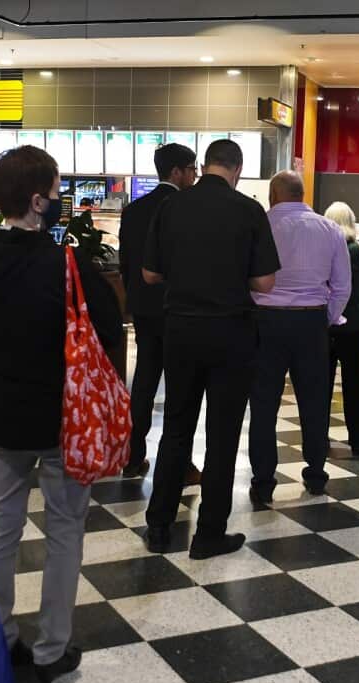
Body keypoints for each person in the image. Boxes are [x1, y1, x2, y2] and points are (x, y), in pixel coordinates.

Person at [0, 146, 122, 683]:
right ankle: (53, 648)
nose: (59, 203)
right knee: (64, 530)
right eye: (55, 194)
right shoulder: (63, 263)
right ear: (36, 201)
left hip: (2, 415)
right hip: (63, 419)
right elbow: (108, 326)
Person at [142, 138, 279, 559]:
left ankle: (160, 526)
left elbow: (149, 274)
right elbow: (265, 283)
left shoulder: (172, 206)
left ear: (202, 166)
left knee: (177, 428)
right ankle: (208, 535)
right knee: (222, 437)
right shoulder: (249, 211)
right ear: (236, 169)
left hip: (180, 330)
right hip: (231, 334)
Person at [248, 171, 351, 507]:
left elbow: (244, 277)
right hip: (311, 322)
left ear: (273, 195)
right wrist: (326, 317)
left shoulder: (259, 226)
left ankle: (263, 481)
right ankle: (316, 474)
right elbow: (342, 286)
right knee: (314, 401)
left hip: (265, 322)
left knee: (263, 405)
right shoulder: (330, 229)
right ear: (302, 193)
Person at [117, 143, 200, 482]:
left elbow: (125, 264)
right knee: (182, 389)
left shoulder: (134, 210)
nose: (195, 176)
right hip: (180, 311)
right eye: (192, 169)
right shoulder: (187, 207)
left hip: (145, 310)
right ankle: (179, 465)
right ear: (177, 171)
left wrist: (136, 299)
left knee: (145, 384)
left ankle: (133, 457)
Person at [324, 202, 359, 457]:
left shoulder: (321, 248)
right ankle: (357, 440)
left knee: (321, 385)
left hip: (325, 325)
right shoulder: (358, 249)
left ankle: (318, 437)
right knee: (355, 385)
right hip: (355, 325)